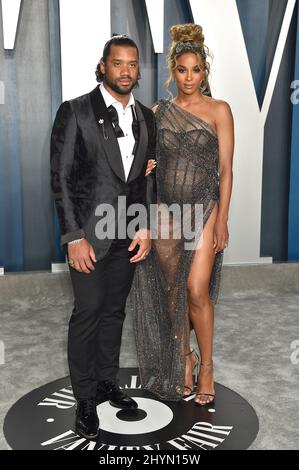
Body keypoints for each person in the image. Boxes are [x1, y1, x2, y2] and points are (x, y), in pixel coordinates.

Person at [50, 34, 156, 440]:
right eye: (118, 63)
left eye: (132, 64)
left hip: (127, 234)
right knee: (89, 312)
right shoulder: (75, 111)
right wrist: (73, 236)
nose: (126, 71)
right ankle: (85, 399)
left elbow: (147, 178)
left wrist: (144, 225)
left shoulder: (146, 116)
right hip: (88, 237)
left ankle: (106, 383)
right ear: (103, 66)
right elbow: (60, 179)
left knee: (114, 312)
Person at [133, 23, 234, 405]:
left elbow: (226, 171)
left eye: (196, 70)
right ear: (171, 72)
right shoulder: (160, 111)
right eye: (182, 70)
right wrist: (145, 169)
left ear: (204, 72)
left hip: (204, 208)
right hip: (166, 211)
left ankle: (207, 365)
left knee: (195, 291)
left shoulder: (219, 110)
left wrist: (222, 218)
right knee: (173, 295)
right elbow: (153, 163)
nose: (189, 77)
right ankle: (184, 360)